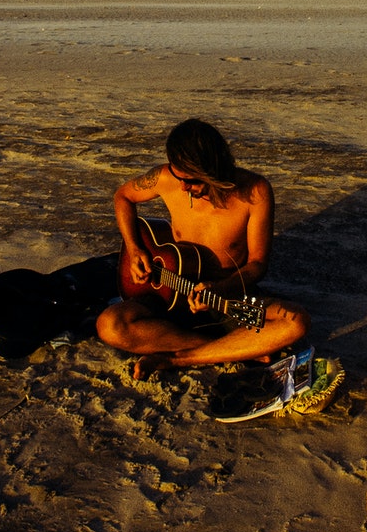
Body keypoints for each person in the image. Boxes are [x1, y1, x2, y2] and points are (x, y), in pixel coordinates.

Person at [96, 118, 310, 380]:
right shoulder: (166, 178)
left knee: (295, 321)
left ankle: (181, 357)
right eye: (179, 177)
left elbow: (257, 264)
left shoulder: (255, 192)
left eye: (193, 180)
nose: (184, 187)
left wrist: (219, 288)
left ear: (213, 169)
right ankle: (235, 349)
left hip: (226, 299)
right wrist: (135, 248)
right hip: (168, 293)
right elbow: (123, 196)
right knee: (109, 325)